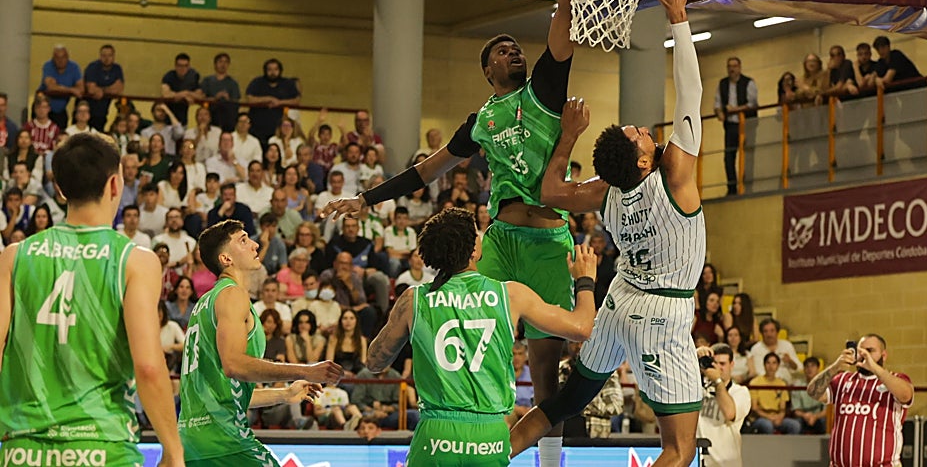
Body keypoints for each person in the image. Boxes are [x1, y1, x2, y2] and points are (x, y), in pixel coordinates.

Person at [320, 0, 579, 467]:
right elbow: (423, 173)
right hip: (500, 237)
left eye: (518, 46)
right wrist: (367, 198)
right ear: (487, 66)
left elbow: (566, 12)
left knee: (543, 365)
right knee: (447, 308)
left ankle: (546, 459)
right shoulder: (481, 119)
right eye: (504, 48)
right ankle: (448, 419)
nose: (515, 51)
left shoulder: (545, 88)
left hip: (545, 237)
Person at [508, 0, 707, 467]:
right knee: (679, 450)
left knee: (562, 403)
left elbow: (550, 189)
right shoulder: (676, 175)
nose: (642, 128)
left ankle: (490, 457)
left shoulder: (607, 190)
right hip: (661, 313)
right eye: (637, 134)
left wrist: (569, 135)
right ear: (644, 160)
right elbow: (692, 94)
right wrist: (678, 19)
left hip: (618, 302)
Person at [361, 207, 600, 467]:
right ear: (474, 251)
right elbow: (582, 328)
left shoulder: (413, 299)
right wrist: (585, 280)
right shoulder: (510, 295)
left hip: (435, 437)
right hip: (490, 437)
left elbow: (374, 362)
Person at [0, 133, 184, 466]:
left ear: (59, 189)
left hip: (24, 448)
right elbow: (147, 366)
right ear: (115, 184)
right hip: (103, 447)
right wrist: (173, 449)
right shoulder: (135, 261)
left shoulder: (15, 257)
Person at [178, 219, 344, 466]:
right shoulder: (233, 295)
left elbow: (226, 391)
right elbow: (235, 365)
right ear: (226, 259)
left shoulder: (206, 302)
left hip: (192, 441)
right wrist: (306, 369)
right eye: (243, 240)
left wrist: (285, 393)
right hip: (224, 438)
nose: (255, 245)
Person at [806, 334, 914, 467]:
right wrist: (835, 367)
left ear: (884, 355)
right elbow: (813, 392)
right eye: (861, 351)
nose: (864, 355)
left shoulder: (895, 379)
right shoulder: (843, 380)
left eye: (870, 351)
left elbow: (906, 395)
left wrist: (874, 368)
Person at [697, 343, 751, 467]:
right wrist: (695, 356)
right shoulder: (697, 388)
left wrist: (717, 381)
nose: (718, 368)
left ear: (732, 365)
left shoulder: (740, 392)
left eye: (723, 364)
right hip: (699, 461)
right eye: (715, 363)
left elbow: (729, 413)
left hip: (726, 463)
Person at [714, 56, 757, 196]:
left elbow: (752, 104)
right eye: (729, 66)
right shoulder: (723, 84)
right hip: (731, 125)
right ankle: (732, 187)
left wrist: (735, 109)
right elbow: (717, 103)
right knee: (729, 156)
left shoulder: (748, 83)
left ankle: (747, 186)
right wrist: (720, 112)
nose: (732, 69)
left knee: (747, 155)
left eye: (734, 66)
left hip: (747, 124)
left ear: (739, 67)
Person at [749, 353, 800, 434]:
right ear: (764, 365)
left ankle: (787, 446)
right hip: (759, 418)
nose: (771, 366)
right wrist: (769, 417)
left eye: (774, 363)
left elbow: (782, 408)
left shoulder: (782, 384)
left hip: (776, 417)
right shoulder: (755, 382)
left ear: (778, 366)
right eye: (768, 363)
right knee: (767, 425)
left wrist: (779, 417)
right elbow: (754, 408)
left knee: (795, 425)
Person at [38, 45, 84, 129]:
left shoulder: (74, 67)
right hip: (44, 109)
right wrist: (71, 90)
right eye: (57, 58)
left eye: (63, 57)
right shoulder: (48, 66)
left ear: (67, 57)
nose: (60, 60)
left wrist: (59, 87)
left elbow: (81, 88)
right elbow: (51, 87)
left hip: (61, 109)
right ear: (53, 58)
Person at [792, 357, 828, 434]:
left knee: (825, 422)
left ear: (818, 369)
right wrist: (805, 415)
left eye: (812, 366)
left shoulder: (825, 386)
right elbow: (796, 411)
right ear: (804, 369)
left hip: (819, 417)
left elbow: (826, 410)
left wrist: (815, 416)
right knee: (795, 425)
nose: (809, 369)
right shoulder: (797, 386)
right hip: (803, 417)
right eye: (807, 366)